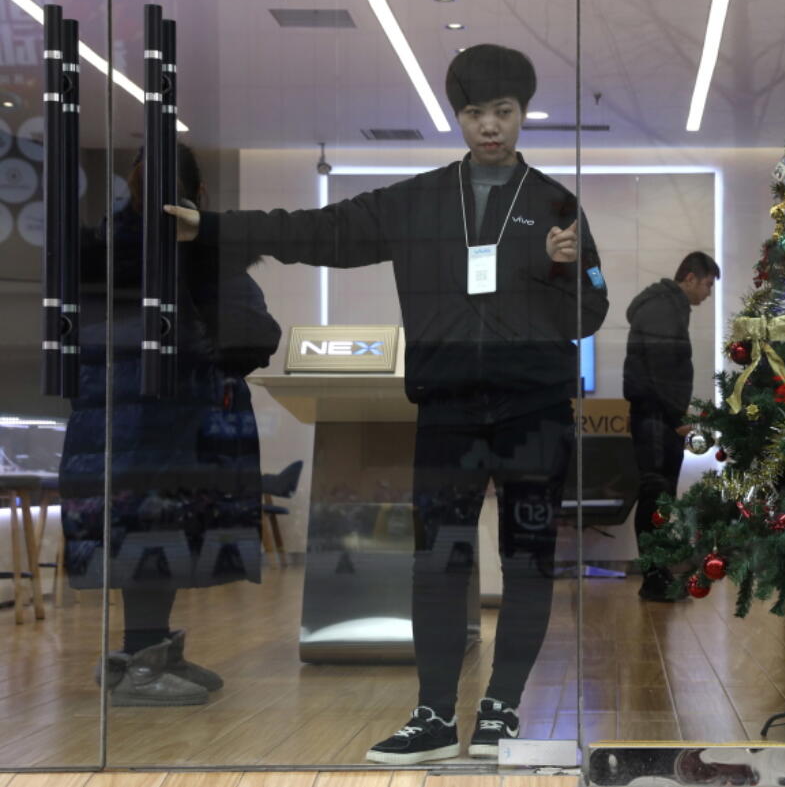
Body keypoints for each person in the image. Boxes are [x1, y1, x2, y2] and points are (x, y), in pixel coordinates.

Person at [165, 44, 608, 764]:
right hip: (448, 411)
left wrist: (564, 272)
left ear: (523, 114)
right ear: (457, 117)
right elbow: (318, 231)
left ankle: (500, 711)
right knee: (438, 560)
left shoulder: (559, 205)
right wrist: (213, 228)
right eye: (474, 113)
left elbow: (590, 313)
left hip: (536, 412)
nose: (489, 126)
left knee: (526, 559)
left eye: (503, 112)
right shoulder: (419, 200)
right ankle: (434, 714)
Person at [59, 144, 281, 705]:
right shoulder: (203, 251)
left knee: (139, 532)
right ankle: (141, 664)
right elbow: (252, 336)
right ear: (199, 195)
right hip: (179, 414)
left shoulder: (94, 252)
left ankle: (146, 653)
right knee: (161, 533)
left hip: (109, 415)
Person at [623, 252, 720, 602]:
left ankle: (658, 573)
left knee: (659, 495)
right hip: (656, 418)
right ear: (690, 278)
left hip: (655, 416)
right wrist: (677, 419)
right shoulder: (664, 308)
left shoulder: (666, 307)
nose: (708, 294)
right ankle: (653, 577)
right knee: (656, 495)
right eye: (708, 284)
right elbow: (662, 371)